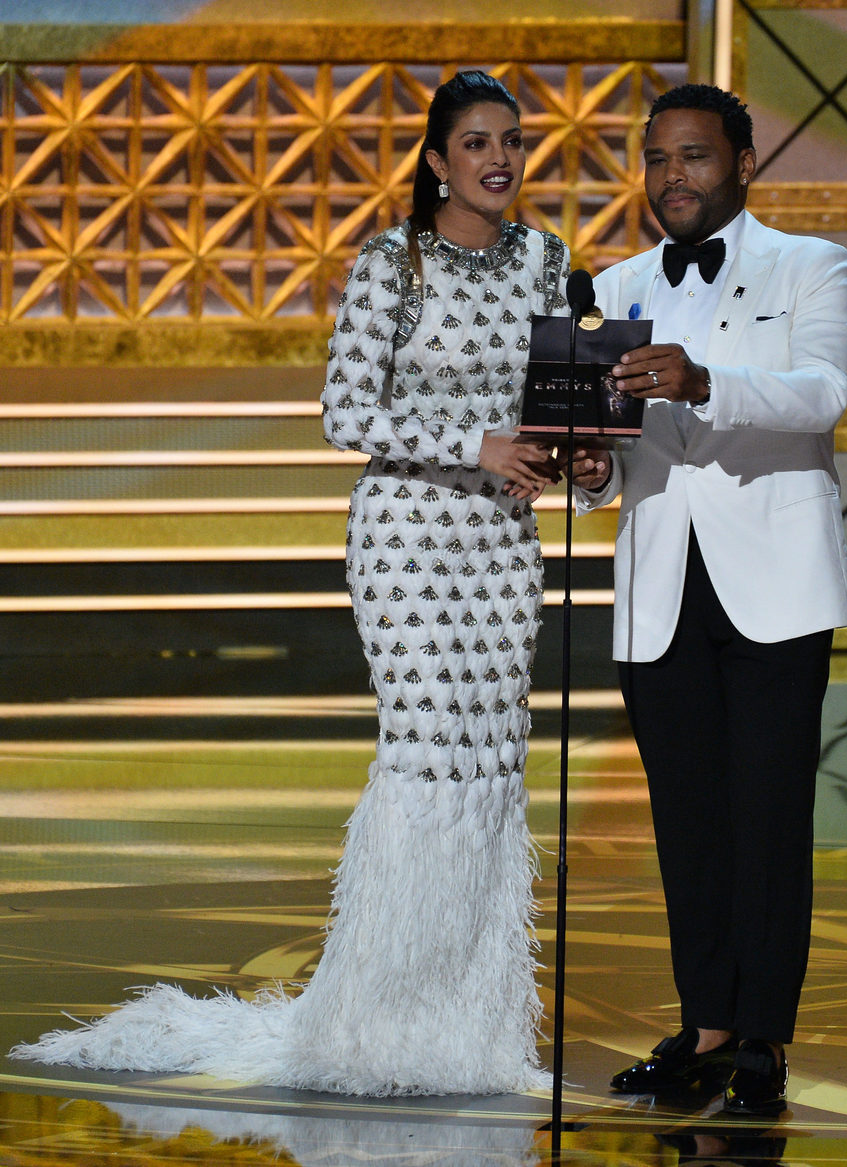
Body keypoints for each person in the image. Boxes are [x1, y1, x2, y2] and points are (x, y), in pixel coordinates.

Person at [12, 70, 569, 1097]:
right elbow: (345, 414)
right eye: (477, 143)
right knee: (425, 748)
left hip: (502, 542)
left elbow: (555, 396)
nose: (499, 160)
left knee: (488, 760)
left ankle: (465, 1027)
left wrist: (580, 454)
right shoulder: (387, 265)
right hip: (407, 537)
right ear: (438, 163)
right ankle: (375, 1023)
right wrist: (471, 444)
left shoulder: (547, 261)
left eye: (513, 141)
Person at [567, 83, 847, 1115]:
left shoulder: (809, 266)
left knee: (767, 819)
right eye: (654, 159)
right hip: (658, 587)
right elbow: (612, 471)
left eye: (691, 156)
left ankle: (761, 1040)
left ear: (742, 162)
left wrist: (703, 383)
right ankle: (704, 1025)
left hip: (771, 588)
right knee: (685, 821)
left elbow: (822, 394)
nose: (669, 178)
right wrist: (582, 464)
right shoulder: (610, 285)